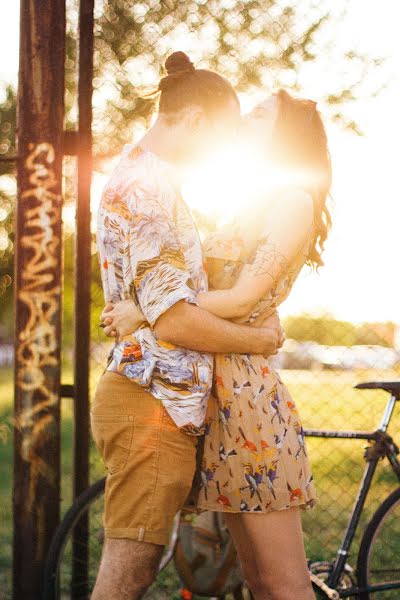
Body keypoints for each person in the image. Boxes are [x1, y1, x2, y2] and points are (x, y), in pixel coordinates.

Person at [102, 88, 332, 599]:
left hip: (249, 399)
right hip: (213, 392)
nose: (245, 119)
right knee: (253, 581)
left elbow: (244, 294)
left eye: (258, 115)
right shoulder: (250, 201)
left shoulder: (294, 198)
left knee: (282, 583)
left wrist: (147, 309)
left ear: (285, 135)